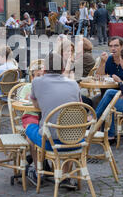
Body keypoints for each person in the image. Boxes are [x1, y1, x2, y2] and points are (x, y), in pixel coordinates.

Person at [26, 52, 82, 188]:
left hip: (51, 143)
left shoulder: (37, 82)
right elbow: (79, 106)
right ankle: (65, 176)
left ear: (44, 69)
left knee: (29, 129)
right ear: (63, 69)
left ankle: (38, 171)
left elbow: (36, 105)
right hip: (76, 140)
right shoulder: (74, 84)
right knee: (68, 127)